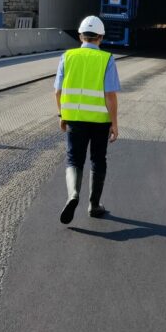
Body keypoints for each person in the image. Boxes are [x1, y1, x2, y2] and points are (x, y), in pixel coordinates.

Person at [55, 15, 120, 224]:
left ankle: (73, 194)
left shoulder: (67, 57)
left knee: (74, 159)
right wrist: (114, 123)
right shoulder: (107, 59)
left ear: (80, 35)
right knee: (98, 160)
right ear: (101, 37)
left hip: (74, 119)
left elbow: (58, 91)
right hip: (100, 121)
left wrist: (62, 115)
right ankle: (93, 205)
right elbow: (110, 95)